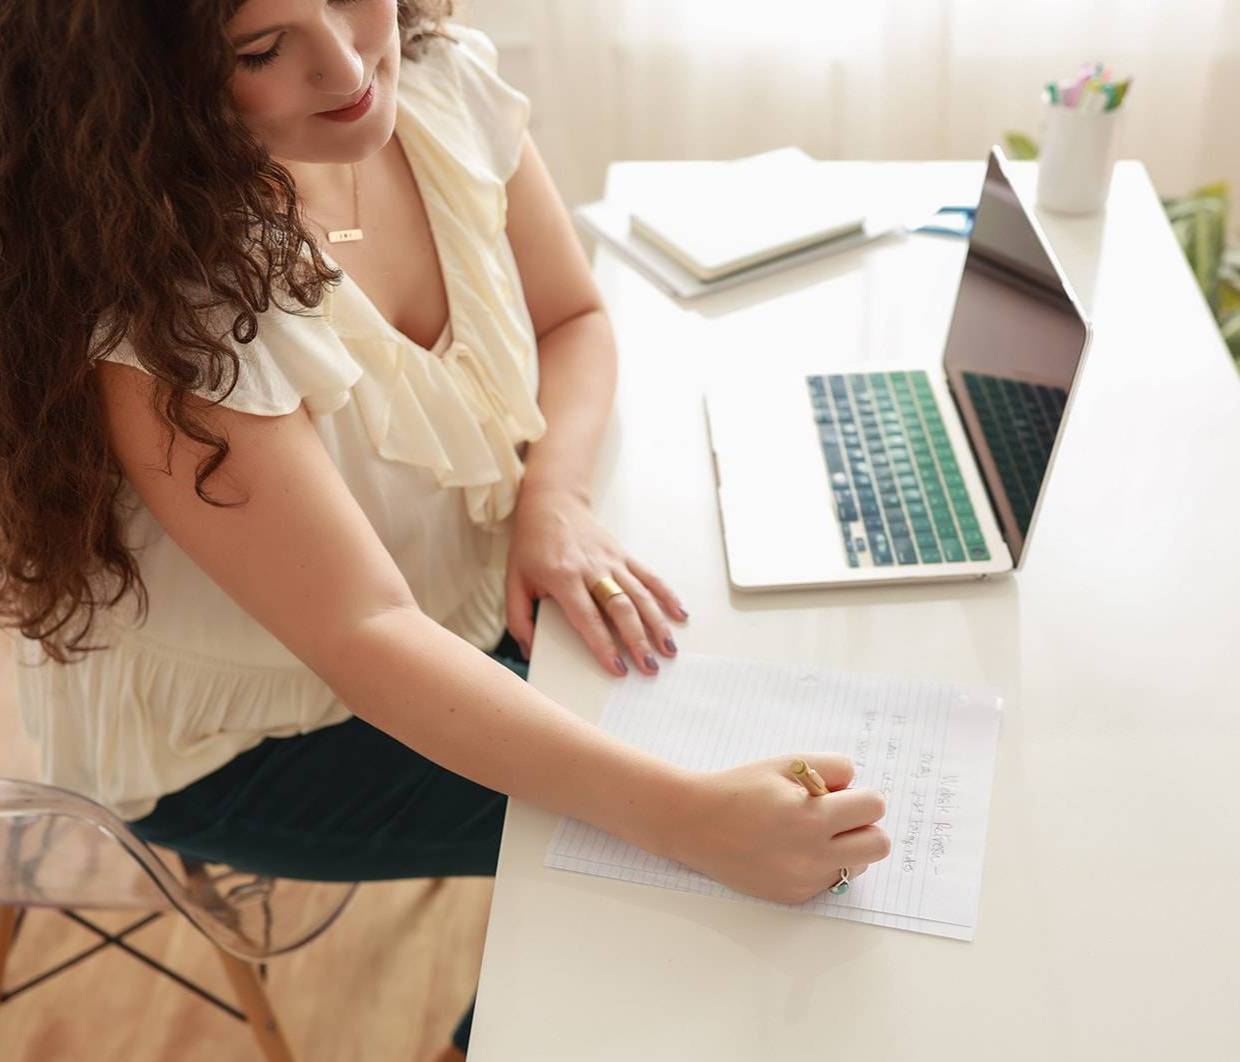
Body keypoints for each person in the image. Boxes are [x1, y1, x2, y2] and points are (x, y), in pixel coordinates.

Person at [0, 1, 892, 1057]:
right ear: (148, 80)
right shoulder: (167, 301)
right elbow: (363, 632)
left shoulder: (436, 83)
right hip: (257, 735)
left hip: (457, 605)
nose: (346, 68)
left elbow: (574, 318)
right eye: (258, 50)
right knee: (665, 852)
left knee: (734, 755)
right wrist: (687, 819)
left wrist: (551, 500)